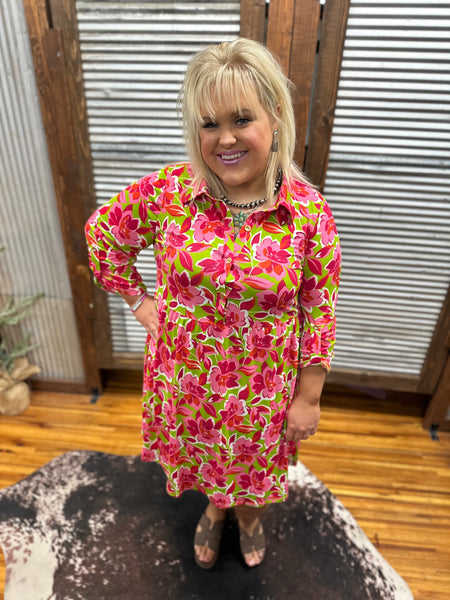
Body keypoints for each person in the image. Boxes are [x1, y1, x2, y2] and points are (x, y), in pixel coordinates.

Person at [85, 37, 341, 570]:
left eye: (242, 119)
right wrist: (138, 300)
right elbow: (103, 235)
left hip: (264, 390)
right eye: (209, 124)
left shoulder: (308, 214)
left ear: (274, 118)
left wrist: (309, 397)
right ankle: (217, 507)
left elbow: (318, 308)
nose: (225, 138)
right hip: (188, 381)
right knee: (206, 460)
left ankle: (248, 516)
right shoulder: (169, 193)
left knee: (252, 467)